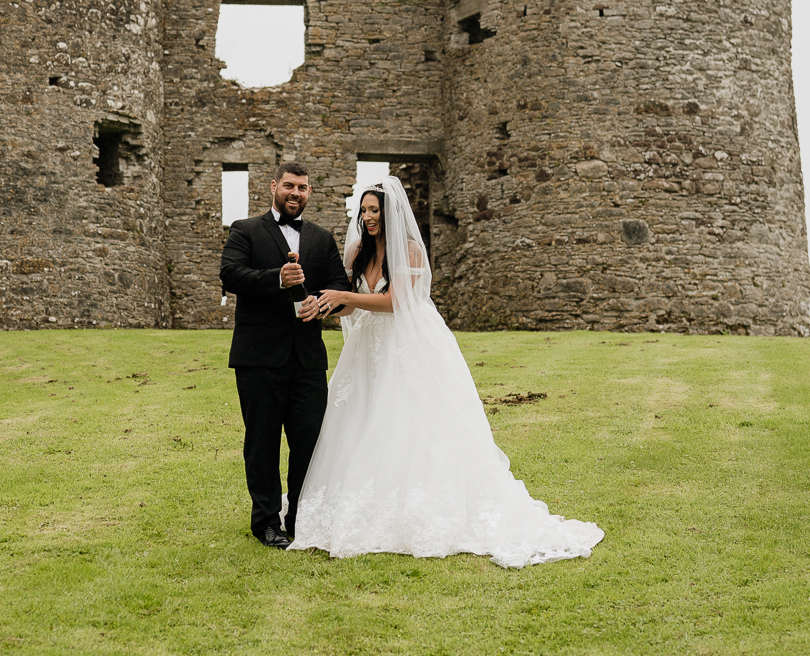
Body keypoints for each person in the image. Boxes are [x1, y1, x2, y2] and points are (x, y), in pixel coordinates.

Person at [288, 175, 604, 567]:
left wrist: (345, 295)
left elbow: (394, 301)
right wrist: (326, 305)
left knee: (408, 417)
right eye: (364, 210)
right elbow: (354, 307)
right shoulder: (357, 254)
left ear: (390, 214)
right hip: (367, 347)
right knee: (359, 418)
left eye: (375, 211)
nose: (368, 218)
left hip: (404, 344)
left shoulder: (409, 252)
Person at [219, 161, 353, 549]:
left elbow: (339, 287)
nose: (296, 193)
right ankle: (265, 522)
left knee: (309, 442)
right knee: (261, 443)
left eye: (304, 188)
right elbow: (230, 274)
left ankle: (299, 515)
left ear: (310, 193)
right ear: (274, 186)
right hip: (258, 357)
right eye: (290, 186)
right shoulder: (244, 230)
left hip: (308, 359)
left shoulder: (321, 238)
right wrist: (277, 278)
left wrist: (321, 305)